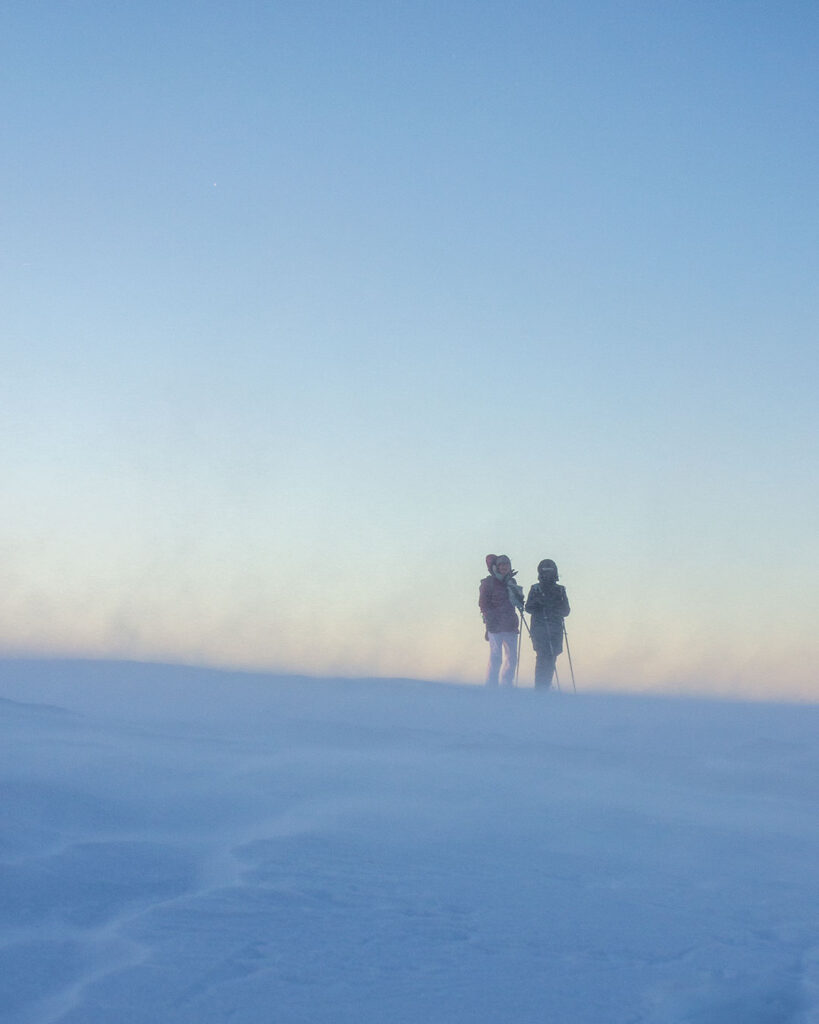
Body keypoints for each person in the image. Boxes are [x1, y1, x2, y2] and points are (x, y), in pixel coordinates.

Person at [479, 554, 525, 687]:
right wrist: (489, 617)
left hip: (510, 624)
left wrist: (519, 599)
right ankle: (491, 685)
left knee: (512, 658)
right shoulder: (488, 583)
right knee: (496, 657)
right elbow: (483, 603)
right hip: (495, 625)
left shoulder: (512, 582)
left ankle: (506, 685)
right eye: (502, 565)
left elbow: (517, 600)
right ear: (496, 567)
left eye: (507, 565)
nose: (504, 567)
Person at [525, 559, 571, 689]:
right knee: (542, 656)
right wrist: (538, 604)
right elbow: (528, 607)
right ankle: (540, 686)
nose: (548, 575)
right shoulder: (535, 589)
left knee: (552, 656)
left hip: (555, 628)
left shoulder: (560, 590)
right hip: (540, 628)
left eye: (550, 572)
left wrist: (556, 608)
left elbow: (566, 610)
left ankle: (544, 685)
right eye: (545, 572)